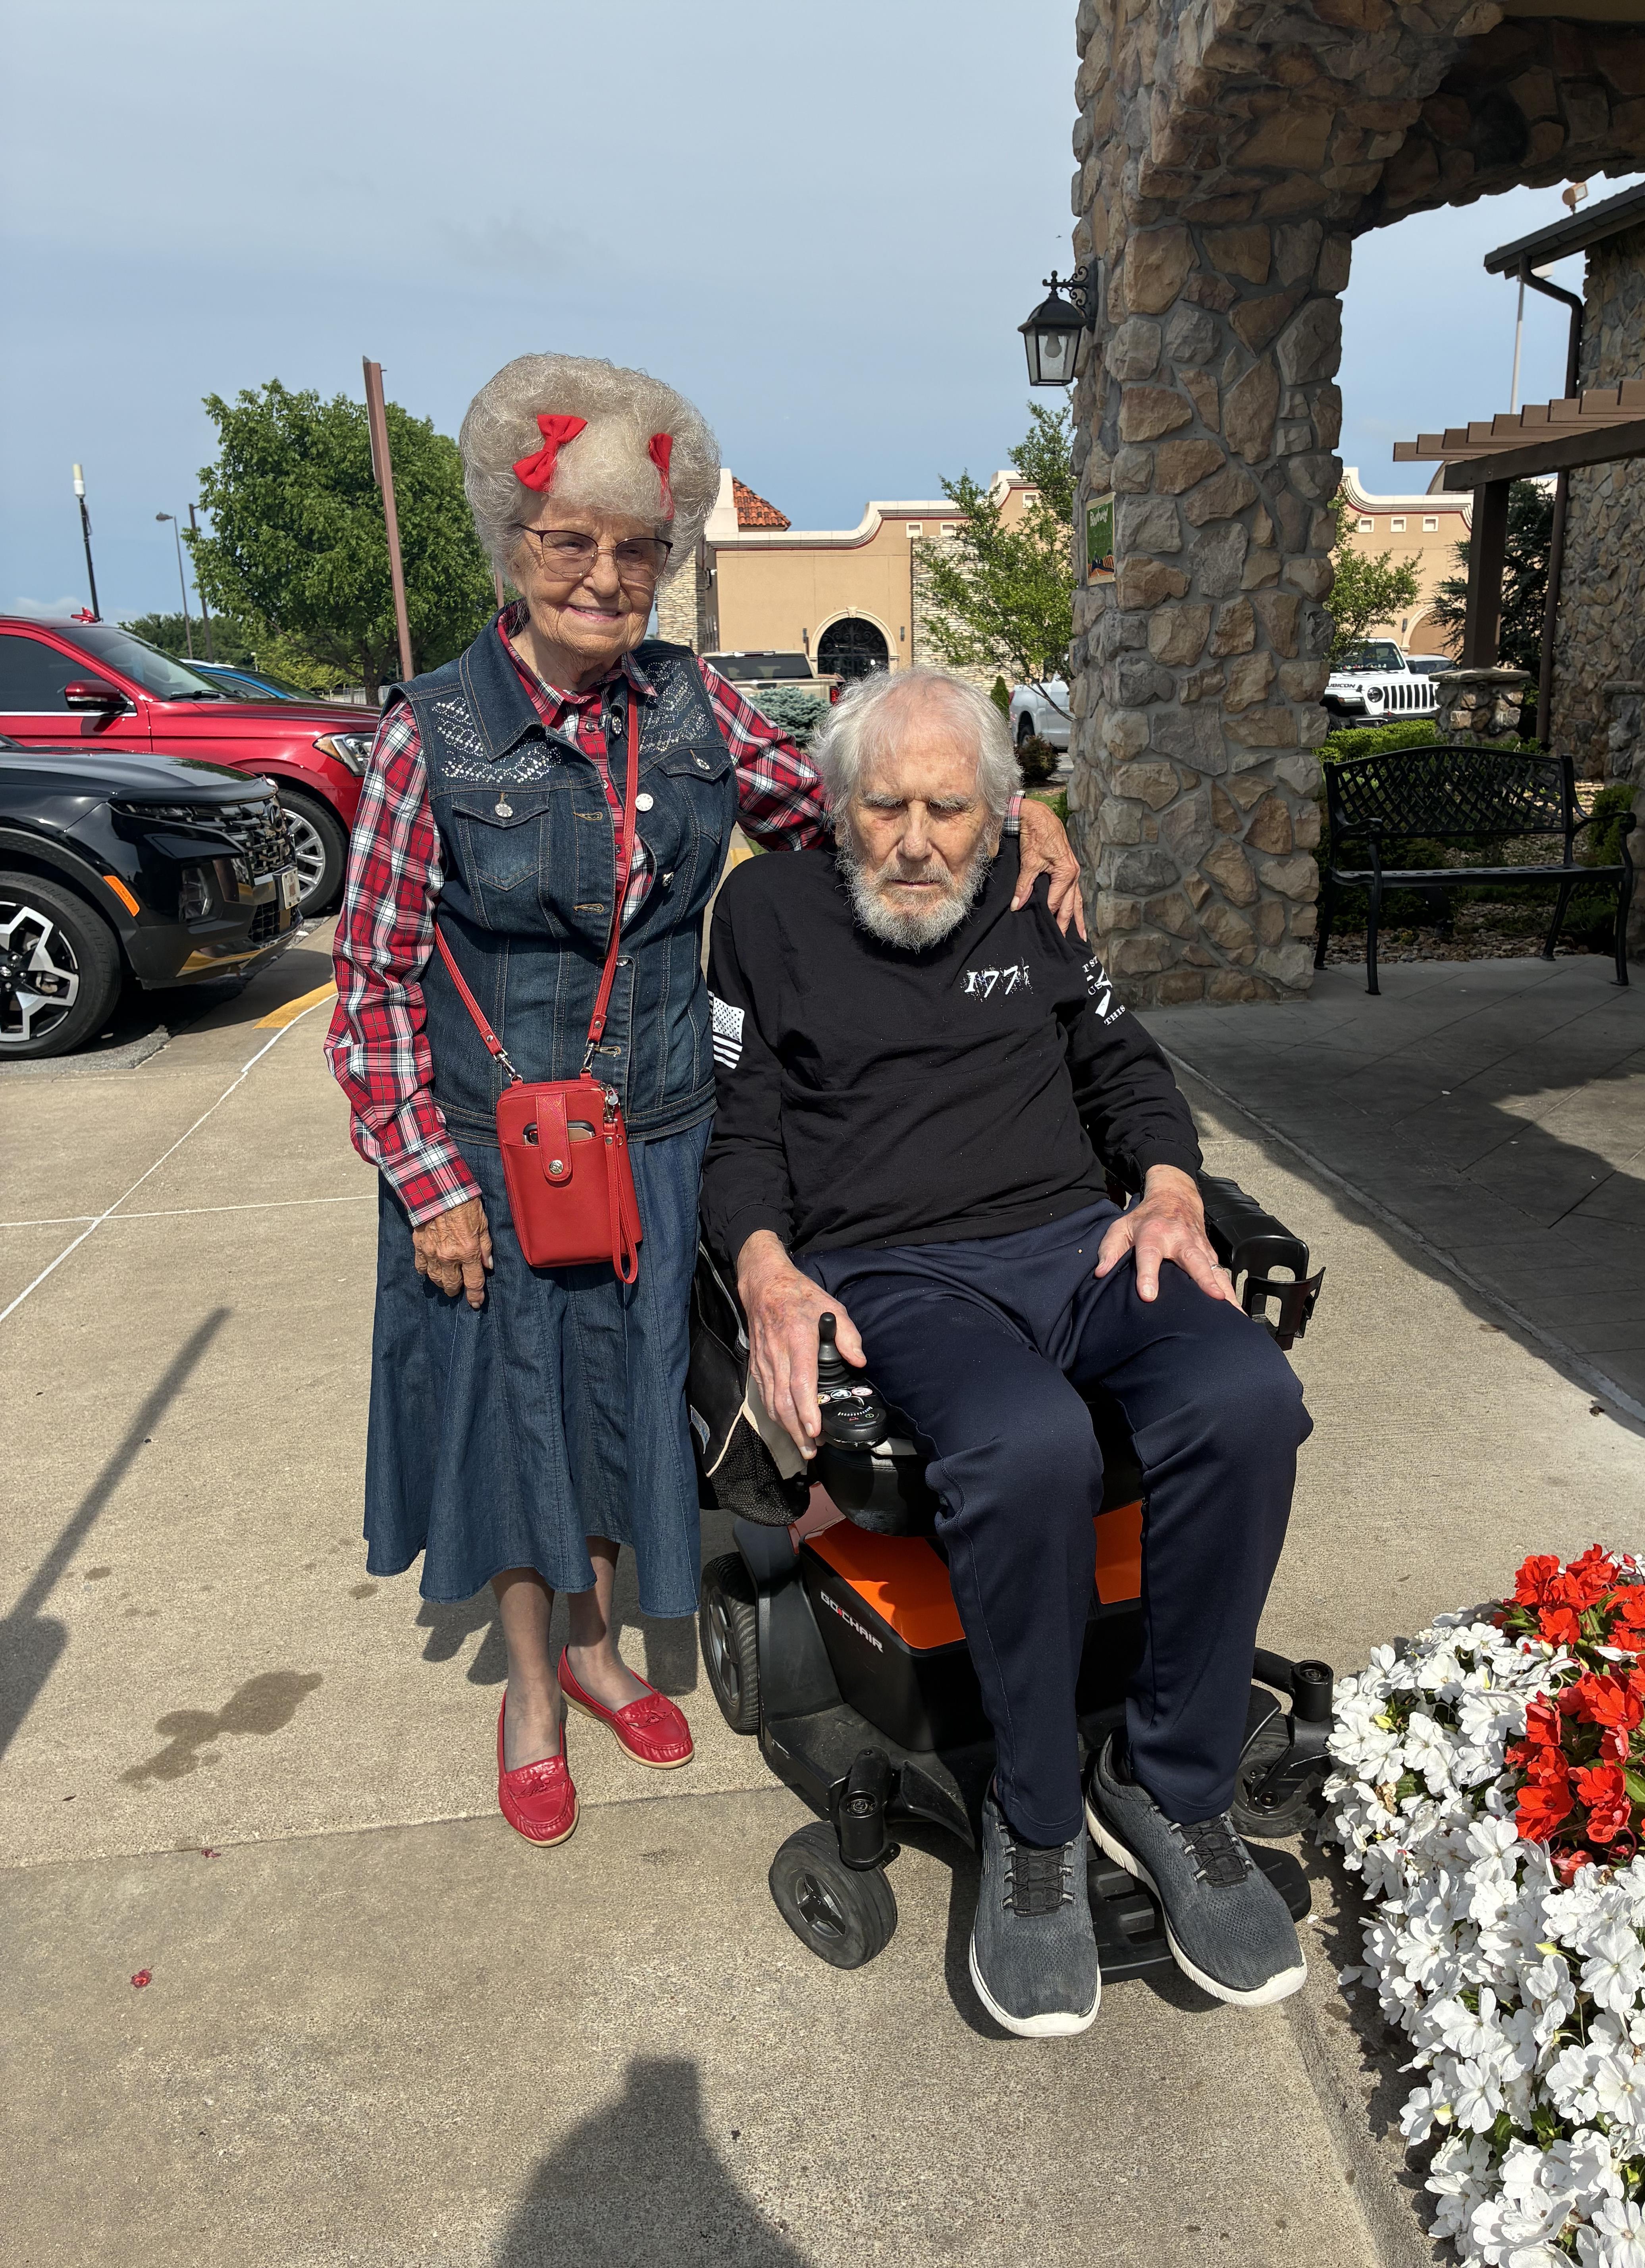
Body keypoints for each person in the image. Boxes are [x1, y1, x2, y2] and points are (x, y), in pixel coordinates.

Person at [325, 355, 1084, 1849]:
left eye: (636, 548)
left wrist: (1004, 809)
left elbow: (848, 809)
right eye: (571, 541)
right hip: (489, 1154)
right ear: (515, 543)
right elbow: (368, 985)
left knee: (620, 1416)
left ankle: (605, 1650)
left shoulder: (690, 709)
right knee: (512, 1430)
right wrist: (427, 1180)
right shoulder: (430, 736)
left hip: (662, 1141)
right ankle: (536, 1689)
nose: (606, 578)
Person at [699, 667, 1314, 2036]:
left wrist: (1164, 1183)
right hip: (896, 1273)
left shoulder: (1034, 902)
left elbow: (1125, 1071)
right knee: (1024, 1443)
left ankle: (1171, 1784)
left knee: (1244, 1395)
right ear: (830, 806)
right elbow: (736, 1126)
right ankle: (1033, 1824)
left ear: (999, 816)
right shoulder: (768, 916)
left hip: (1074, 1245)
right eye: (884, 807)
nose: (914, 842)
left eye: (946, 809)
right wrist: (765, 1270)